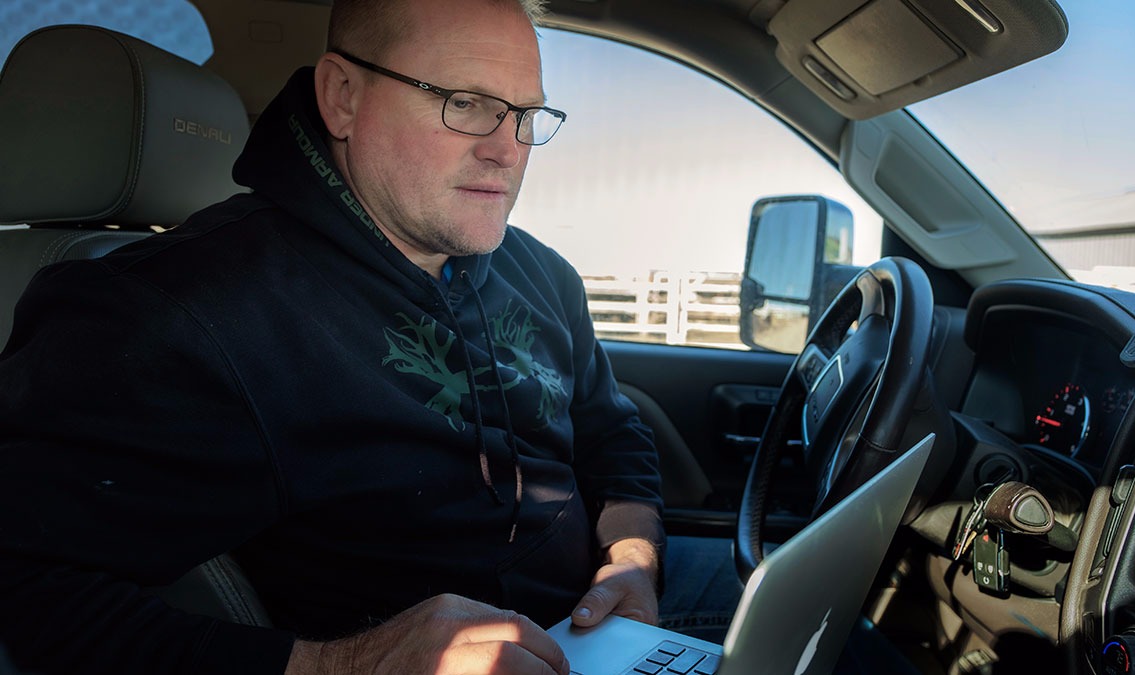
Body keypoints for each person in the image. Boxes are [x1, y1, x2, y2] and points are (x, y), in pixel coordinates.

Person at [0, 0, 666, 673]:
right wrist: (345, 665)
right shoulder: (168, 312)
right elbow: (29, 591)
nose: (507, 149)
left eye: (526, 114)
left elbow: (613, 433)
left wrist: (634, 560)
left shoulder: (543, 274)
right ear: (342, 97)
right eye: (466, 102)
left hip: (613, 625)